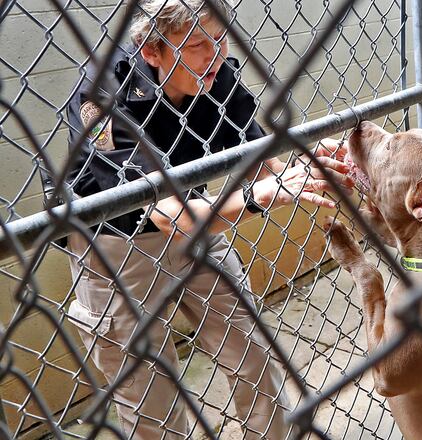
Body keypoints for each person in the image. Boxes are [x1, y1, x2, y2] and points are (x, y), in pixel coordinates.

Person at [64, 1, 350, 438]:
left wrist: (303, 163)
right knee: (150, 399)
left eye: (220, 38)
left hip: (201, 224)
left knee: (254, 354)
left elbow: (257, 158)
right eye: (197, 44)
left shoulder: (218, 75)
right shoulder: (105, 97)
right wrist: (259, 198)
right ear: (152, 52)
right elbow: (170, 215)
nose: (214, 54)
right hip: (117, 249)